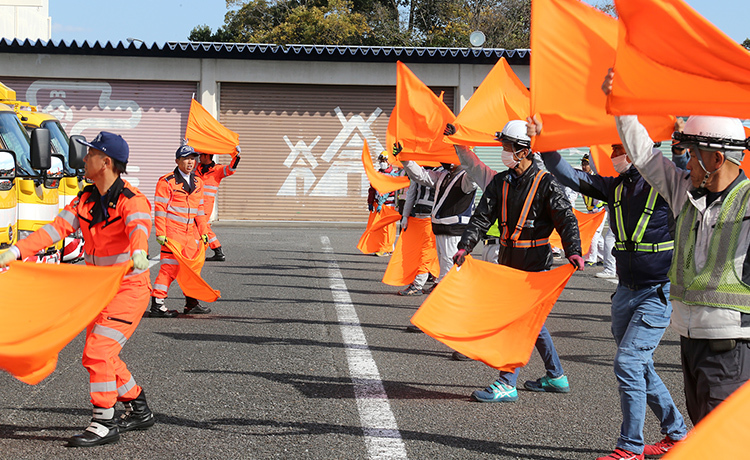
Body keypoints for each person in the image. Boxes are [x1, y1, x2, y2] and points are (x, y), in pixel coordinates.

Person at [528, 117, 689, 460]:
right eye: (614, 148)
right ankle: (676, 434)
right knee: (638, 366)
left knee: (629, 363)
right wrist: (544, 142)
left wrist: (680, 145)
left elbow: (684, 172)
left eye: (619, 148)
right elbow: (569, 175)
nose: (614, 153)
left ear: (638, 150)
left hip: (656, 292)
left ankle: (630, 448)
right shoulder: (614, 187)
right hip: (626, 291)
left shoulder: (665, 184)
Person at [606, 68, 750, 432]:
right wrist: (622, 104)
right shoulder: (685, 190)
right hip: (690, 339)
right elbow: (642, 155)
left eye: (692, 152)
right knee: (704, 431)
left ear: (716, 158)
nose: (685, 159)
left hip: (731, 346)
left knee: (723, 440)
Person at [0, 131, 156, 447]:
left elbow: (139, 225)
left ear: (106, 162)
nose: (84, 159)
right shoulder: (85, 199)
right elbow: (55, 229)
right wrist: (17, 251)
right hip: (97, 292)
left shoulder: (132, 199)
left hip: (128, 290)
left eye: (90, 154)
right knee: (102, 354)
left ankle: (104, 421)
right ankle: (138, 408)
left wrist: (140, 250)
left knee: (98, 351)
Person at [452, 119, 584, 403]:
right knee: (532, 322)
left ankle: (507, 381)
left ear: (524, 151)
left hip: (535, 263)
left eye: (508, 146)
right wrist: (465, 247)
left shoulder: (546, 183)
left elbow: (566, 218)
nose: (504, 151)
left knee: (517, 321)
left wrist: (573, 249)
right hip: (509, 260)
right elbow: (481, 217)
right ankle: (556, 375)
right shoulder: (501, 182)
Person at [395, 143, 478, 291]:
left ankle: (452, 304)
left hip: (454, 233)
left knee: (450, 271)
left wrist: (461, 148)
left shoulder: (466, 178)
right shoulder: (443, 175)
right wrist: (405, 158)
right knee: (445, 270)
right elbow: (420, 175)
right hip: (440, 230)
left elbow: (474, 173)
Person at [150, 144, 212, 317]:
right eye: (186, 158)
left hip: (190, 234)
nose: (190, 162)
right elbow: (160, 208)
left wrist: (204, 231)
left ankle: (191, 303)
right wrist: (160, 233)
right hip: (172, 234)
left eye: (193, 158)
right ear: (177, 161)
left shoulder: (198, 182)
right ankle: (157, 304)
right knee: (169, 269)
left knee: (192, 270)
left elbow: (199, 209)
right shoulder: (166, 181)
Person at [195, 148, 241, 262]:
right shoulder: (197, 168)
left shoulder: (218, 169)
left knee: (200, 226)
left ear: (207, 156)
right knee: (204, 226)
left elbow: (231, 169)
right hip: (194, 203)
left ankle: (197, 252)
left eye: (201, 155)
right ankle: (218, 251)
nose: (199, 157)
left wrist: (236, 156)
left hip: (206, 205)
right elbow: (185, 162)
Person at [398, 179, 436, 297]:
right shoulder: (420, 172)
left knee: (427, 252)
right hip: (419, 216)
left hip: (433, 217)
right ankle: (438, 280)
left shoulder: (443, 172)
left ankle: (418, 285)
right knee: (427, 252)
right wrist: (405, 215)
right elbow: (411, 194)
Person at [366, 152, 400, 257]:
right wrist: (370, 202)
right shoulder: (377, 173)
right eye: (381, 161)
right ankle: (385, 247)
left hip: (389, 205)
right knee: (379, 228)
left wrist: (381, 202)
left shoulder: (394, 174)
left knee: (388, 228)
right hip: (378, 204)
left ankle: (386, 248)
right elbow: (372, 189)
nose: (382, 163)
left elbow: (390, 190)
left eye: (384, 161)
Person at [580, 153, 607, 267]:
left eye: (586, 164)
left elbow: (599, 196)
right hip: (591, 211)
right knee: (598, 236)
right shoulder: (582, 177)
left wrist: (597, 208)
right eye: (583, 164)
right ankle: (603, 257)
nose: (584, 166)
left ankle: (591, 259)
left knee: (593, 234)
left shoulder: (595, 178)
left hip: (600, 210)